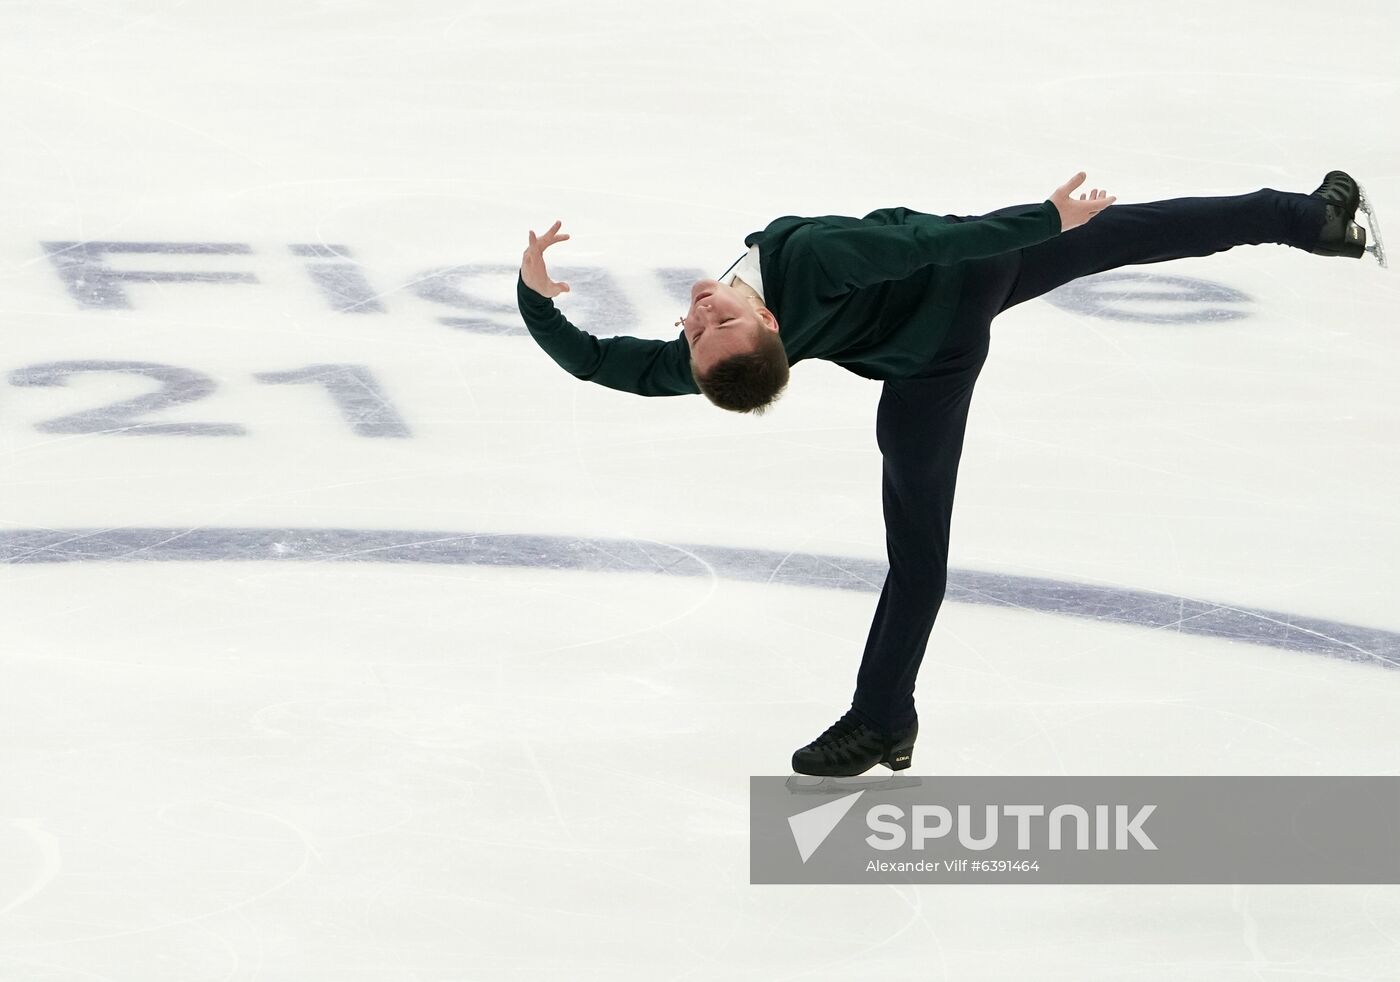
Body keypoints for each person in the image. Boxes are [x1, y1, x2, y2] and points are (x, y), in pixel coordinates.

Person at [516, 170, 1376, 777]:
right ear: (765, 328)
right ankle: (1313, 220)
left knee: (1124, 239)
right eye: (706, 331)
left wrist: (1044, 221)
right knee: (1129, 235)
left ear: (772, 323)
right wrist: (1043, 221)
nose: (700, 316)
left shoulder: (805, 272)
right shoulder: (792, 282)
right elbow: (606, 364)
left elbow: (923, 243)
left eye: (706, 326)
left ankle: (884, 717)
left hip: (943, 315)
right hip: (944, 322)